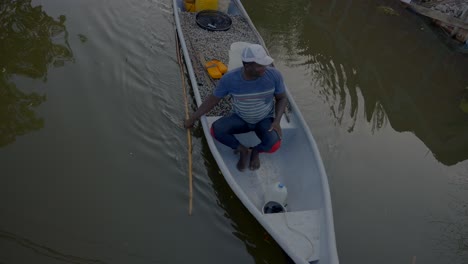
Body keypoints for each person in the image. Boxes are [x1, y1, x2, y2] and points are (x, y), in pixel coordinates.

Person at [184, 44, 288, 171]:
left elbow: (282, 98)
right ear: (247, 65)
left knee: (275, 144)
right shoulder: (229, 79)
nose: (265, 68)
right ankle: (242, 149)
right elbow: (212, 100)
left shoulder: (274, 75)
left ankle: (256, 151)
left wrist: (277, 121)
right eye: (260, 65)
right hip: (241, 118)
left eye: (265, 64)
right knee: (216, 130)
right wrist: (193, 118)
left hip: (264, 119)